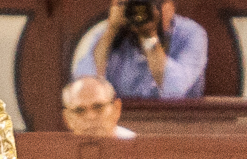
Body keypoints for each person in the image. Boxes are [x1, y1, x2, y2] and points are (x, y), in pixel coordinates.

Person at [72, 0, 207, 99]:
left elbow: (173, 90)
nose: (142, 10)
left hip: (178, 124)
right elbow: (85, 84)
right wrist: (111, 32)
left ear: (170, 6)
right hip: (121, 121)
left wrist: (148, 36)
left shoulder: (191, 33)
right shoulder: (104, 32)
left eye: (153, 3)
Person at [62, 75, 136, 138]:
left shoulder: (139, 149)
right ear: (68, 118)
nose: (90, 116)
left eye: (98, 107)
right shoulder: (58, 153)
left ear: (116, 109)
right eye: (79, 110)